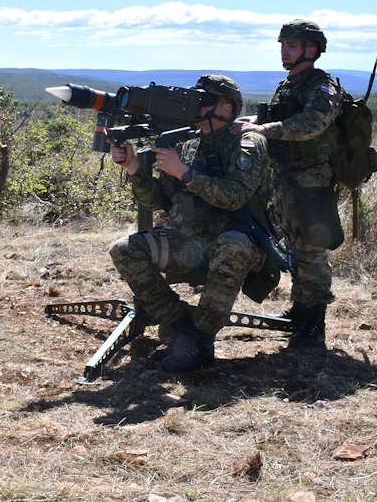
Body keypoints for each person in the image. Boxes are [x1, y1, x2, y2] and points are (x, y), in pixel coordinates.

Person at [109, 75, 271, 372]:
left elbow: (235, 196)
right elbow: (160, 200)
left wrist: (186, 174)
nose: (196, 108)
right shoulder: (190, 145)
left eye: (204, 101)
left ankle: (200, 338)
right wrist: (133, 169)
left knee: (232, 244)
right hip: (190, 245)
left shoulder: (247, 143)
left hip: (238, 244)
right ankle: (179, 323)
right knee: (123, 250)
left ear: (226, 106)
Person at [239, 19, 343, 350]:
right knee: (295, 247)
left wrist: (266, 131)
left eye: (292, 45)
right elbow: (277, 116)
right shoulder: (290, 84)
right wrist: (251, 122)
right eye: (283, 44)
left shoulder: (321, 86)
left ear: (311, 50)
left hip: (312, 182)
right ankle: (301, 311)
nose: (285, 50)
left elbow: (311, 123)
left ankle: (313, 326)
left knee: (312, 250)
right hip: (287, 179)